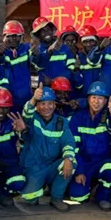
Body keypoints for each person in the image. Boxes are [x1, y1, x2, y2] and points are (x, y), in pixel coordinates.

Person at [19, 84, 76, 212]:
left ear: (55, 105)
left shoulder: (62, 122)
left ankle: (56, 197)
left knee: (71, 162)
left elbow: (68, 142)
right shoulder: (32, 118)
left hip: (51, 166)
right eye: (42, 104)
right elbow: (26, 112)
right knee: (30, 198)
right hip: (34, 167)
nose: (46, 107)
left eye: (50, 104)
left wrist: (68, 158)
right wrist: (33, 99)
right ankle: (40, 186)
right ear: (37, 106)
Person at [68, 82, 111, 211]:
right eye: (93, 97)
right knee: (77, 197)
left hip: (102, 162)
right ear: (88, 99)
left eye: (100, 98)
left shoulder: (110, 116)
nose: (96, 102)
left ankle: (102, 195)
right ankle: (92, 186)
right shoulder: (77, 118)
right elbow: (74, 146)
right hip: (84, 162)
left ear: (106, 101)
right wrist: (79, 171)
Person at [0, 20, 32, 113]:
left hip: (26, 97)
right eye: (9, 36)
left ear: (22, 37)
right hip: (7, 99)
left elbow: (36, 60)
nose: (13, 39)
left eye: (16, 36)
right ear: (4, 37)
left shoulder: (26, 49)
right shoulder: (1, 51)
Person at [30, 17, 81, 88]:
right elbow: (38, 67)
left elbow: (71, 71)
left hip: (64, 91)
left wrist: (53, 81)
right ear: (38, 35)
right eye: (42, 31)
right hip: (45, 92)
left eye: (48, 29)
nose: (46, 33)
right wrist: (48, 52)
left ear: (52, 30)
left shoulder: (64, 48)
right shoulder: (35, 51)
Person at [76, 25, 101, 98]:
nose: (88, 44)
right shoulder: (78, 58)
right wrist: (76, 71)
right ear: (81, 43)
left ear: (96, 41)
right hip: (84, 97)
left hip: (101, 98)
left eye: (91, 41)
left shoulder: (103, 56)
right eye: (85, 42)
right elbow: (77, 85)